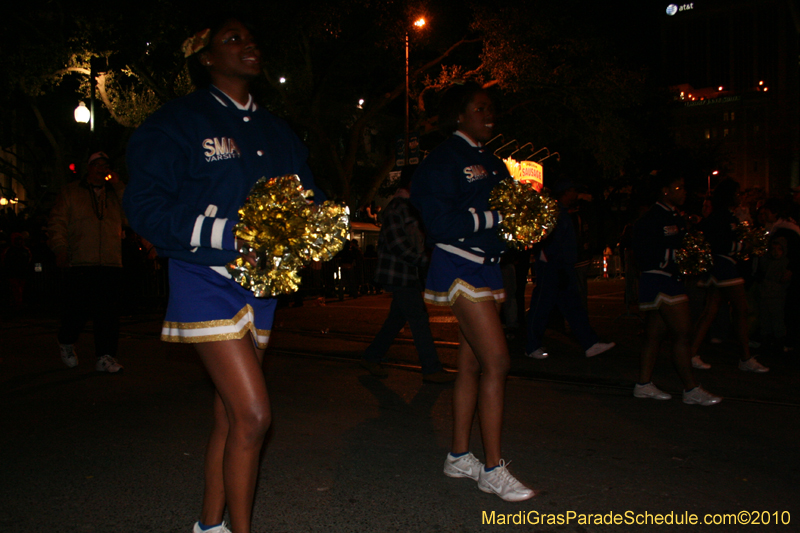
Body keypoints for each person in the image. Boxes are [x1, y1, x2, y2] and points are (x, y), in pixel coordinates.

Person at [124, 17, 325, 533]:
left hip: (263, 287)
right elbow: (145, 206)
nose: (248, 43)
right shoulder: (176, 121)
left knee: (230, 416)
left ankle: (207, 525)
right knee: (255, 416)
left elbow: (308, 201)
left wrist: (321, 232)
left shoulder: (279, 132)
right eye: (232, 39)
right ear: (205, 57)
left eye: (251, 36)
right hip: (203, 277)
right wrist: (227, 234)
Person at [411, 82, 534, 502]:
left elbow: (508, 217)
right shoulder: (441, 160)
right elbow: (440, 223)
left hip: (490, 268)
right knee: (497, 361)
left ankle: (459, 455)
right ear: (459, 115)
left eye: (491, 108)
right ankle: (492, 468)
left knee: (471, 365)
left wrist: (523, 226)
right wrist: (494, 217)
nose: (489, 114)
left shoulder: (495, 162)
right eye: (479, 108)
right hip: (457, 264)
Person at [631, 173, 721, 405]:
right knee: (682, 332)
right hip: (659, 279)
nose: (683, 191)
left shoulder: (676, 217)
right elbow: (642, 253)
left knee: (655, 335)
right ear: (665, 191)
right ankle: (691, 389)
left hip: (670, 278)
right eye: (678, 187)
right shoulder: (652, 217)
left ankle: (643, 384)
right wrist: (672, 257)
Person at [359, 173, 455, 384]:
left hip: (405, 273)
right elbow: (398, 245)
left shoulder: (406, 207)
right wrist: (424, 260)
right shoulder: (398, 207)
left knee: (397, 319)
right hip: (400, 274)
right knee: (419, 319)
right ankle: (431, 369)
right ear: (410, 185)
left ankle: (371, 356)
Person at [47, 151, 125, 373]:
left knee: (108, 314)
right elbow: (57, 221)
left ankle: (105, 355)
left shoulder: (113, 195)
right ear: (89, 168)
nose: (102, 170)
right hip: (80, 261)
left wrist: (119, 187)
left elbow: (132, 215)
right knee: (77, 311)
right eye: (97, 165)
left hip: (110, 261)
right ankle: (66, 340)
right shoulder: (71, 192)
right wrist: (60, 248)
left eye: (105, 165)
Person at [524, 179, 615, 359]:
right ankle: (531, 346)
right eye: (572, 191)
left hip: (561, 267)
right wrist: (555, 264)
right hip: (554, 267)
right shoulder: (554, 212)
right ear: (565, 192)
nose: (575, 194)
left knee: (572, 307)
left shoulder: (561, 212)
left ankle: (590, 343)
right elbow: (549, 242)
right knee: (543, 305)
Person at [690, 178, 769, 372]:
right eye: (737, 193)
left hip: (723, 268)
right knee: (741, 310)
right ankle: (745, 357)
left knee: (711, 311)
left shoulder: (727, 215)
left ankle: (690, 353)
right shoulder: (721, 217)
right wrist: (743, 246)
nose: (739, 196)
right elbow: (718, 244)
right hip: (724, 268)